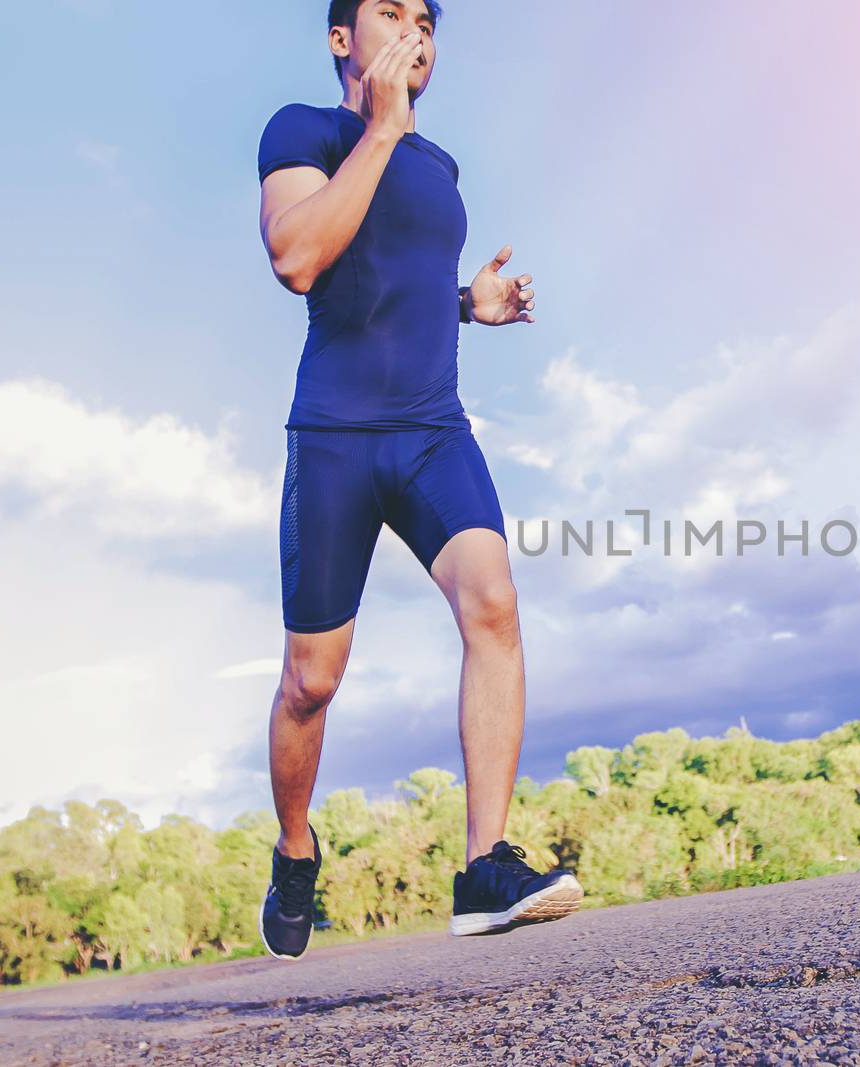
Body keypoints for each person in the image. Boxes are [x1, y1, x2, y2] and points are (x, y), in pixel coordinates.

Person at [253, 0, 581, 961]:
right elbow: (300, 256)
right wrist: (383, 126)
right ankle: (295, 844)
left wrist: (468, 305)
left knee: (494, 604)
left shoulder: (441, 172)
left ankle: (484, 867)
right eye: (388, 11)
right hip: (336, 437)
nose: (415, 26)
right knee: (311, 683)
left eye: (427, 17)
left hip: (435, 431)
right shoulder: (302, 131)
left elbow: (396, 283)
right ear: (341, 39)